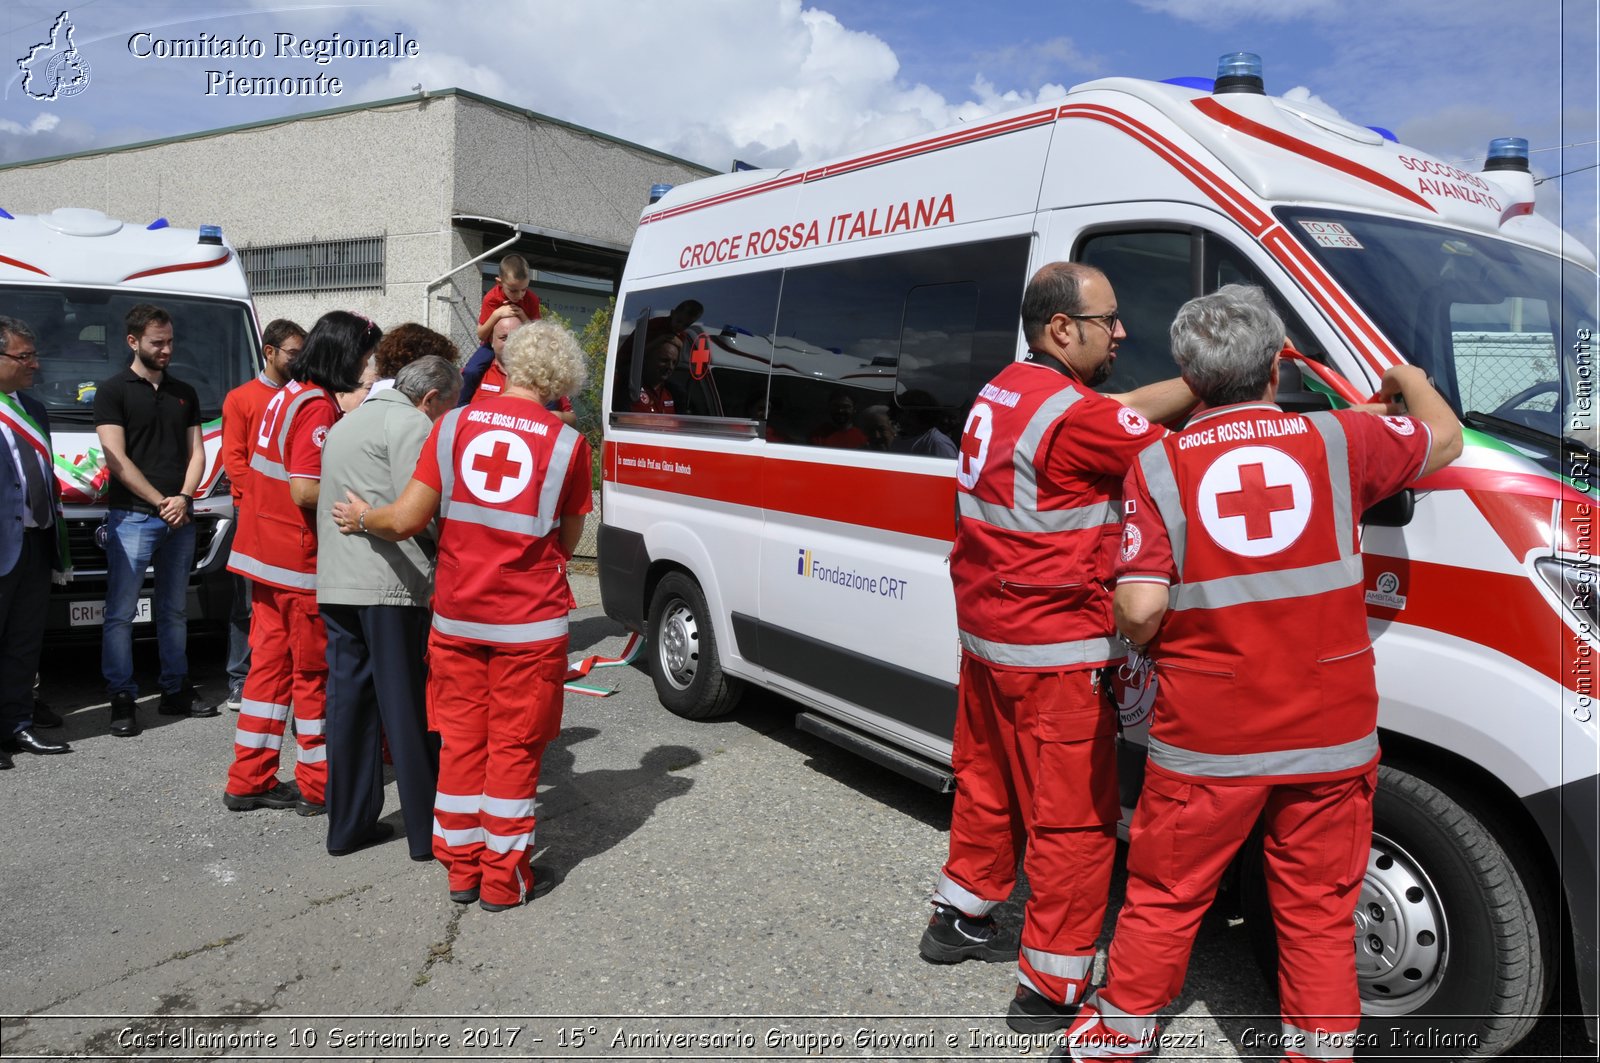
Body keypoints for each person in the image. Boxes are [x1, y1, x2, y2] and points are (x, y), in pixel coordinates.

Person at [1061, 287, 1462, 1061]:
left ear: (1189, 373)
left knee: (1167, 892)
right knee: (1318, 906)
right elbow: (1444, 439)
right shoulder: (1344, 440)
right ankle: (1318, 1051)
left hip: (1211, 734)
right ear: (1276, 365)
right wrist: (1408, 378)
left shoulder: (1160, 464)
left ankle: (1119, 1032)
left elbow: (1140, 610)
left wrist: (1141, 620)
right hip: (1331, 727)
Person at [923, 262, 1195, 1034]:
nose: (1122, 331)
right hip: (1056, 653)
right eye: (1109, 319)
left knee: (986, 786)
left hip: (988, 642)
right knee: (1073, 821)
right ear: (1062, 329)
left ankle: (959, 917)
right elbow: (1162, 449)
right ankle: (1049, 984)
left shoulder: (1008, 390)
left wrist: (1192, 382)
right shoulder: (1076, 417)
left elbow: (1117, 412)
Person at [331, 319, 591, 912]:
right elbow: (567, 541)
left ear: (512, 363)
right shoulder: (569, 446)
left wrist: (362, 518)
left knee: (462, 743)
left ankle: (462, 870)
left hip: (457, 619)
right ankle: (505, 881)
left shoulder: (451, 425)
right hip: (528, 625)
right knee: (516, 749)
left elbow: (406, 519)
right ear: (561, 380)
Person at [224, 311, 381, 814]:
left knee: (267, 673)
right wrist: (363, 502)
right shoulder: (315, 404)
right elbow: (306, 488)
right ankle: (318, 785)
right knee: (312, 673)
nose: (364, 363)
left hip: (267, 555)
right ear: (343, 352)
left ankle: (250, 777)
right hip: (296, 561)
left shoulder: (290, 392)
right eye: (362, 353)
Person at [317, 340, 458, 860]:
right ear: (432, 399)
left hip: (337, 584)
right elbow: (419, 511)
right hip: (390, 588)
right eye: (449, 409)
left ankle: (347, 826)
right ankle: (426, 833)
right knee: (406, 708)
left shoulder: (344, 423)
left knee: (349, 708)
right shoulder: (412, 426)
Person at [94, 303, 214, 736]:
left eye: (170, 341)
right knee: (121, 613)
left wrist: (184, 497)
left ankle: (174, 688)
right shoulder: (112, 391)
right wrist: (163, 500)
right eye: (157, 342)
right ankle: (122, 698)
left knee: (173, 610)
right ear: (133, 342)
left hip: (180, 517)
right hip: (132, 516)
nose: (166, 349)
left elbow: (198, 451)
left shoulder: (185, 391)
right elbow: (116, 459)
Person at [217, 319, 305, 714]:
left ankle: (276, 678)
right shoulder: (241, 398)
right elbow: (234, 460)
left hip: (288, 516)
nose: (299, 360)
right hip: (250, 511)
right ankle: (240, 678)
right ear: (269, 352)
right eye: (293, 353)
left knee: (282, 605)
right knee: (246, 602)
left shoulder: (303, 397)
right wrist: (262, 500)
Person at [0, 316, 71, 767]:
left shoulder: (33, 408)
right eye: (24, 356)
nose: (35, 365)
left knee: (24, 643)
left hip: (34, 542)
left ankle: (16, 725)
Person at [459, 315, 576, 424]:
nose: (510, 343)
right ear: (491, 341)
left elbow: (571, 418)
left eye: (515, 337)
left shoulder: (542, 375)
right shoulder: (474, 374)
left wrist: (546, 417)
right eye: (503, 338)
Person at [475, 254, 541, 345]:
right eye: (513, 291)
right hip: (492, 347)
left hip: (523, 345)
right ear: (499, 283)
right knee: (476, 360)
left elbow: (537, 334)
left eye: (524, 289)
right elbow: (481, 335)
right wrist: (497, 314)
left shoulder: (532, 299)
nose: (519, 295)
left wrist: (522, 315)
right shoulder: (491, 299)